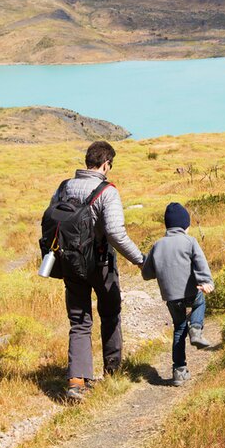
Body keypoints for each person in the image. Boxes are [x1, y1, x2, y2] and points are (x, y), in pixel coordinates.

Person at [50, 140, 145, 401]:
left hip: (69, 263)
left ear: (87, 161)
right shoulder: (107, 191)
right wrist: (139, 259)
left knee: (79, 321)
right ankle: (113, 370)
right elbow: (115, 232)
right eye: (109, 166)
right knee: (111, 313)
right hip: (101, 263)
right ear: (106, 164)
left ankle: (77, 381)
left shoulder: (62, 188)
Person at [141, 202, 214, 386]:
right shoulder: (190, 241)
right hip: (190, 291)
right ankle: (196, 329)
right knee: (199, 302)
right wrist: (206, 282)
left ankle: (179, 371)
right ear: (185, 225)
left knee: (179, 328)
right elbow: (200, 263)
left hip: (171, 297)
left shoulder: (157, 245)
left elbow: (147, 274)